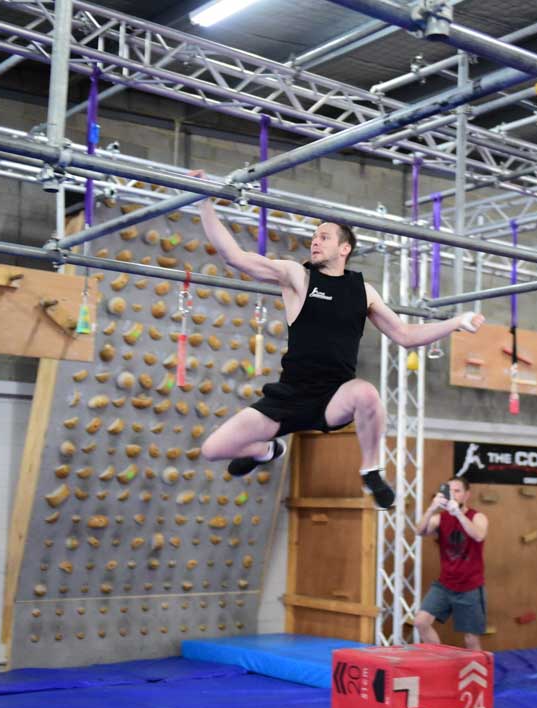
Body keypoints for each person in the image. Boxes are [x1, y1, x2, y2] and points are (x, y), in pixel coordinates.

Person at [191, 170, 485, 508]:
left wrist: (455, 322)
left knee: (367, 393)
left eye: (324, 237)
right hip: (288, 396)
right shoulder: (298, 276)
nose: (315, 242)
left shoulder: (364, 291)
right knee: (212, 449)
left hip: (334, 396)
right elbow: (235, 257)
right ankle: (267, 450)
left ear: (345, 248)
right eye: (314, 236)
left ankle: (371, 470)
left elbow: (405, 335)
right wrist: (205, 203)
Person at [413, 477, 489, 651]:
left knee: (471, 638)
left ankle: (476, 669)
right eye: (450, 491)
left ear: (466, 495)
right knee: (421, 622)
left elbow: (478, 535)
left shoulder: (478, 517)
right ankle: (438, 660)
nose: (453, 494)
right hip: (445, 584)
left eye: (457, 491)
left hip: (470, 586)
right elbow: (419, 531)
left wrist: (458, 514)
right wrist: (431, 508)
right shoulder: (440, 518)